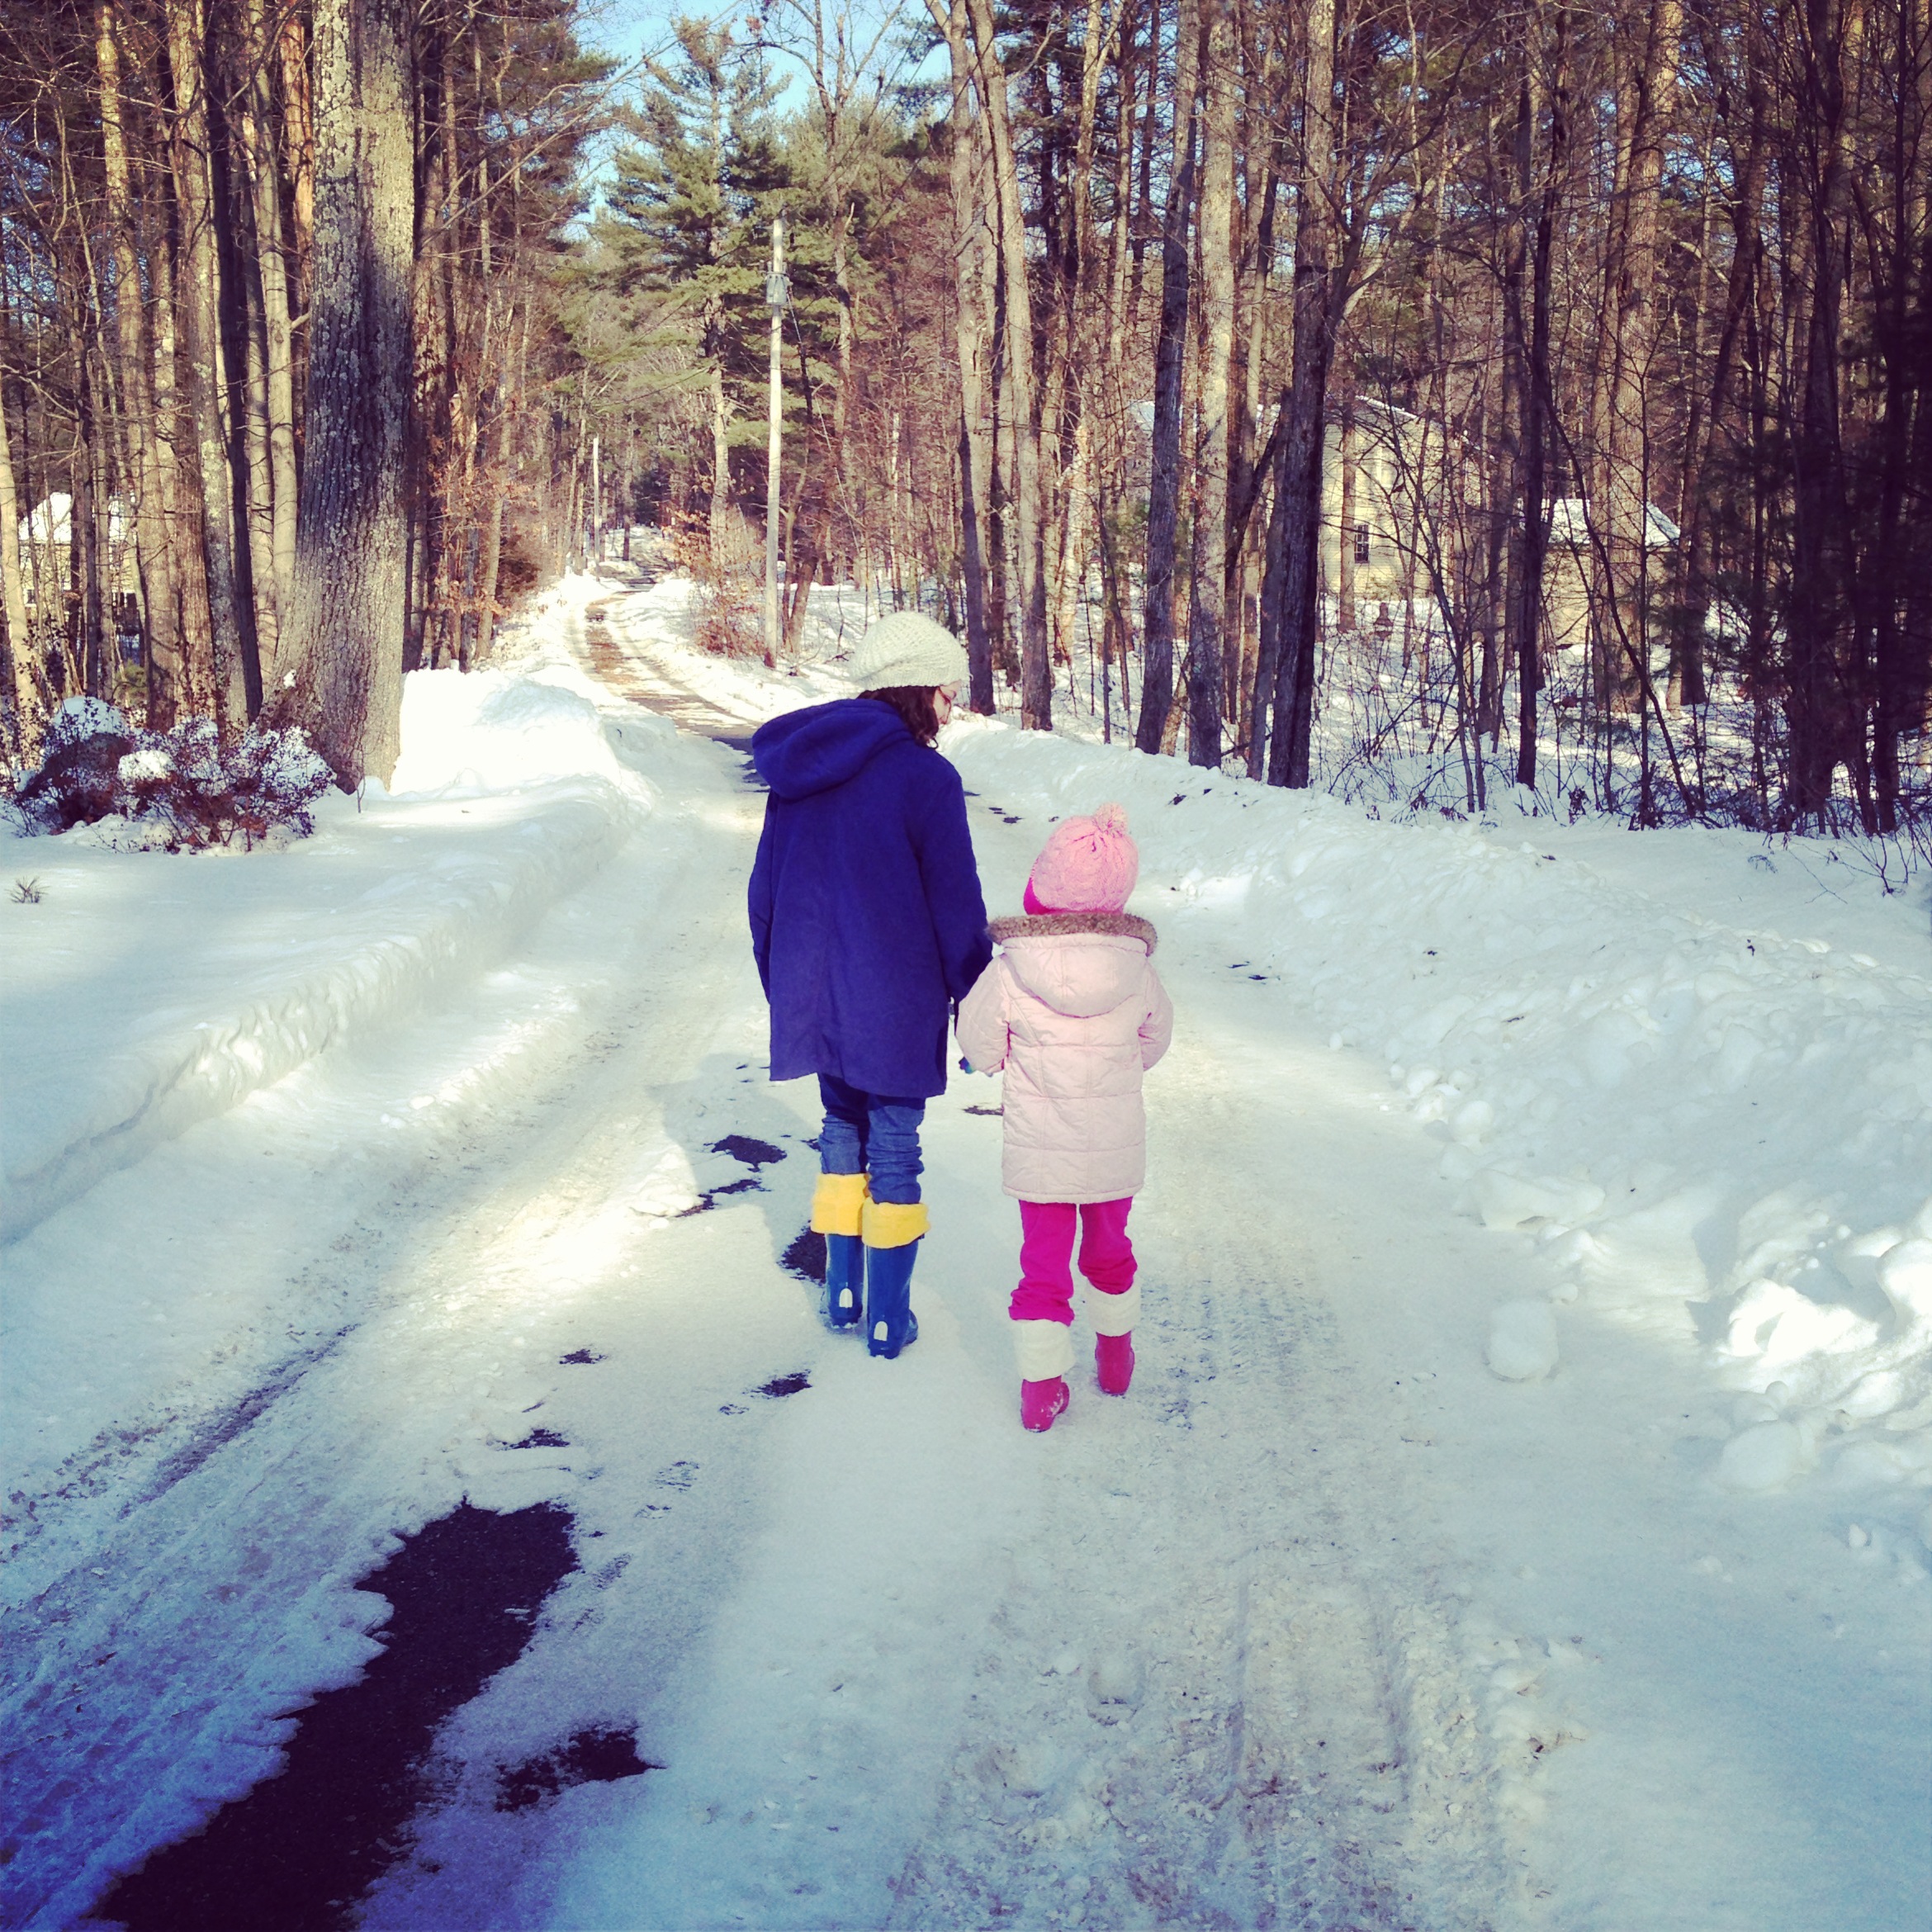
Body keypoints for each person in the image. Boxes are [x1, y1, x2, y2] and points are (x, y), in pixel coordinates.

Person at [748, 611, 992, 1358]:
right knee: (893, 1145)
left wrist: (783, 980)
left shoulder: (799, 772)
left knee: (839, 1126)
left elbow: (764, 892)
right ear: (920, 690)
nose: (952, 709)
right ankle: (887, 1317)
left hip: (813, 986)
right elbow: (955, 904)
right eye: (949, 692)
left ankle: (842, 1294)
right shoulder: (926, 778)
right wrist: (976, 995)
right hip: (894, 995)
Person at [956, 804, 1172, 1432]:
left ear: (1042, 887)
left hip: (1040, 1152)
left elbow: (978, 1045)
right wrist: (1117, 1067)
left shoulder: (1010, 970)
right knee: (1110, 1250)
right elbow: (1155, 1040)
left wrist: (1005, 1057)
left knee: (1043, 1266)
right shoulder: (1137, 969)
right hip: (1113, 1147)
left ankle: (1041, 1392)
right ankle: (1116, 1360)